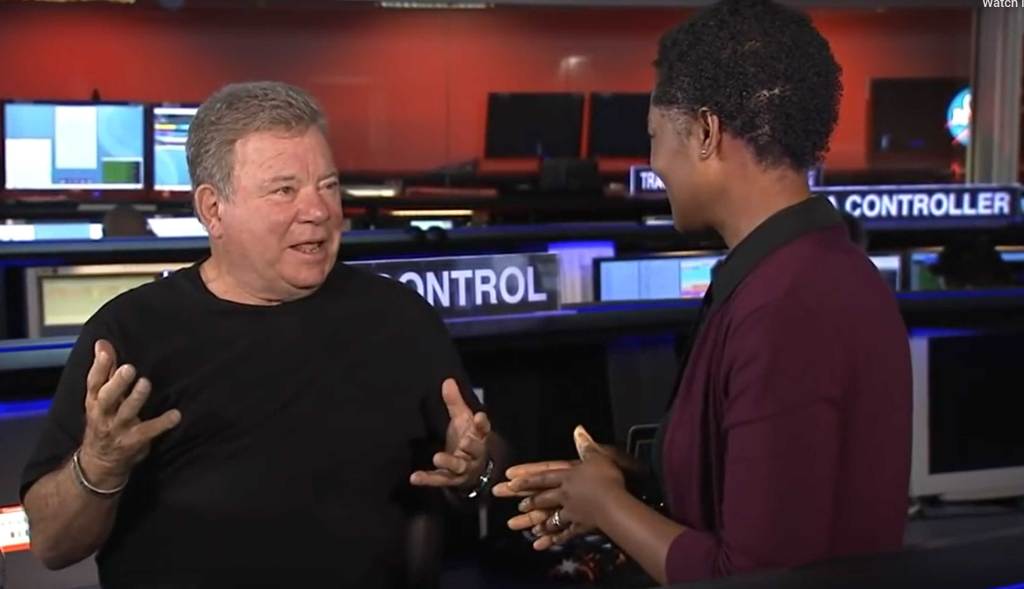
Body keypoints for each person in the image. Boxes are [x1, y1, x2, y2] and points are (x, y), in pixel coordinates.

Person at [495, 0, 912, 585]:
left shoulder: (788, 308)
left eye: (656, 135)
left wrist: (607, 508)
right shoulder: (807, 273)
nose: (653, 163)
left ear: (707, 132)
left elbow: (755, 574)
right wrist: (633, 481)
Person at [20, 81, 498, 589]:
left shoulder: (399, 317)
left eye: (329, 185)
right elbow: (52, 544)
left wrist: (476, 472)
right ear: (212, 209)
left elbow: (481, 468)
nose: (318, 210)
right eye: (284, 190)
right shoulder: (129, 336)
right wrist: (100, 465)